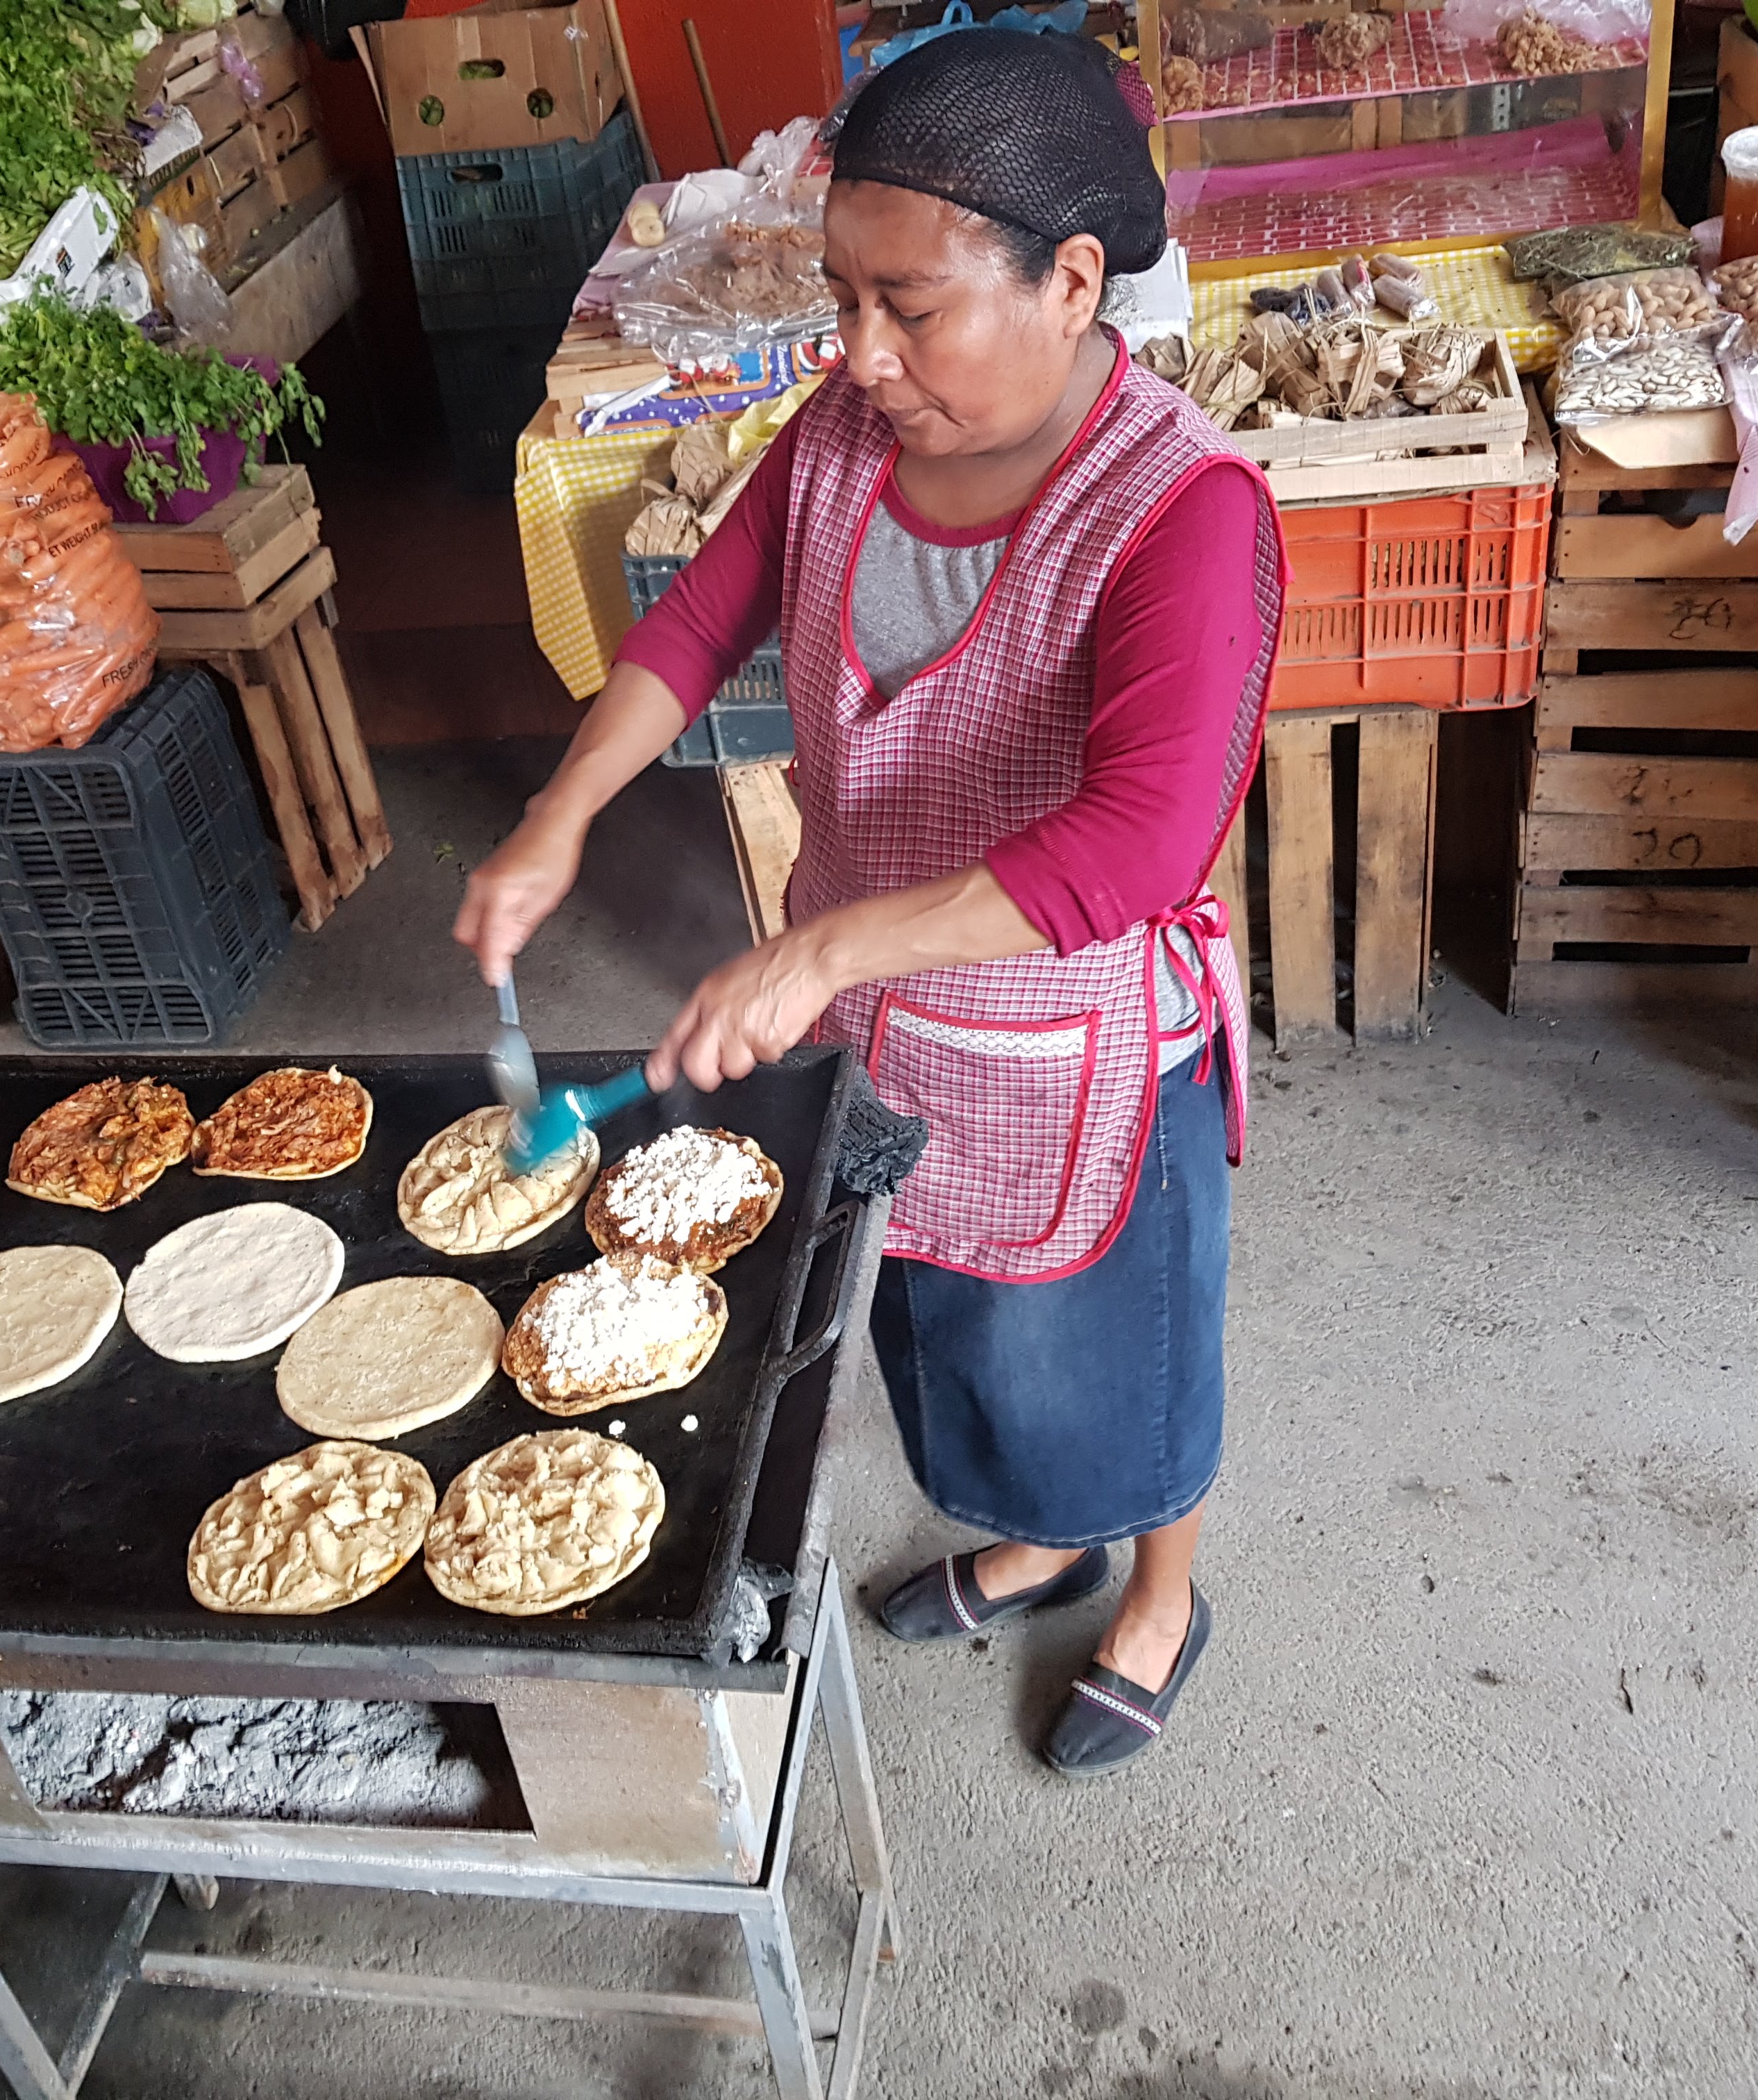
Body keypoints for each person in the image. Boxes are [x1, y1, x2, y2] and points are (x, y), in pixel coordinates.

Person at [460, 32, 1282, 1776]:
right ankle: (1041, 1538)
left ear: (1071, 282)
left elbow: (1133, 851)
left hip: (1076, 1052)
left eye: (910, 307)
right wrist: (559, 815)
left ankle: (1153, 1591)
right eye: (844, 300)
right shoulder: (846, 436)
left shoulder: (1182, 516)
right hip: (891, 1034)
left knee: (1111, 1355)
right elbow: (696, 623)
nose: (858, 355)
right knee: (951, 1326)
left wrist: (823, 938)